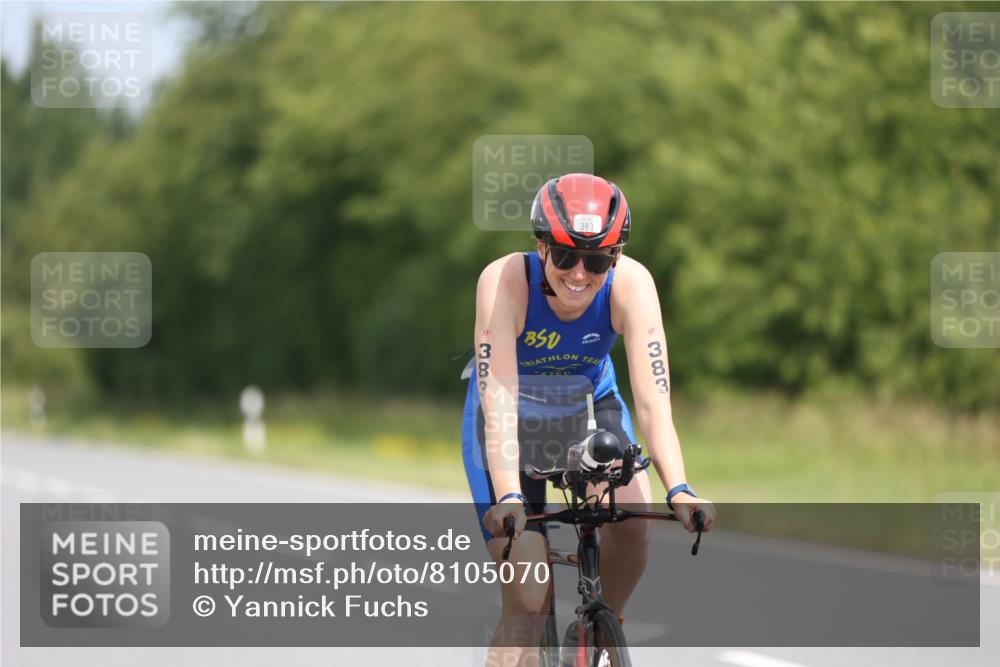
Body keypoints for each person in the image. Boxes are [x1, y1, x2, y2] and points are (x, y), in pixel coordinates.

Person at [461, 173, 716, 665]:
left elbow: (651, 404)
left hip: (586, 411)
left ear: (615, 257)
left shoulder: (634, 284)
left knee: (633, 525)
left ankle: (603, 631)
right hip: (509, 419)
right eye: (564, 256)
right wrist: (511, 497)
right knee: (528, 602)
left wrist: (680, 488)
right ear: (541, 247)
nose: (579, 274)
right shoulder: (504, 281)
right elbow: (499, 400)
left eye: (597, 260)